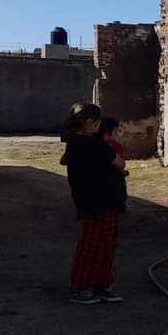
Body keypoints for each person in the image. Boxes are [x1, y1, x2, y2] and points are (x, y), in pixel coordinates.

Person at [62, 102, 127, 304]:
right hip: (98, 202)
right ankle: (83, 287)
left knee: (102, 245)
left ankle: (99, 285)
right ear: (90, 122)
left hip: (98, 201)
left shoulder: (76, 142)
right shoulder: (93, 144)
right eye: (98, 122)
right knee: (94, 246)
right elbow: (120, 163)